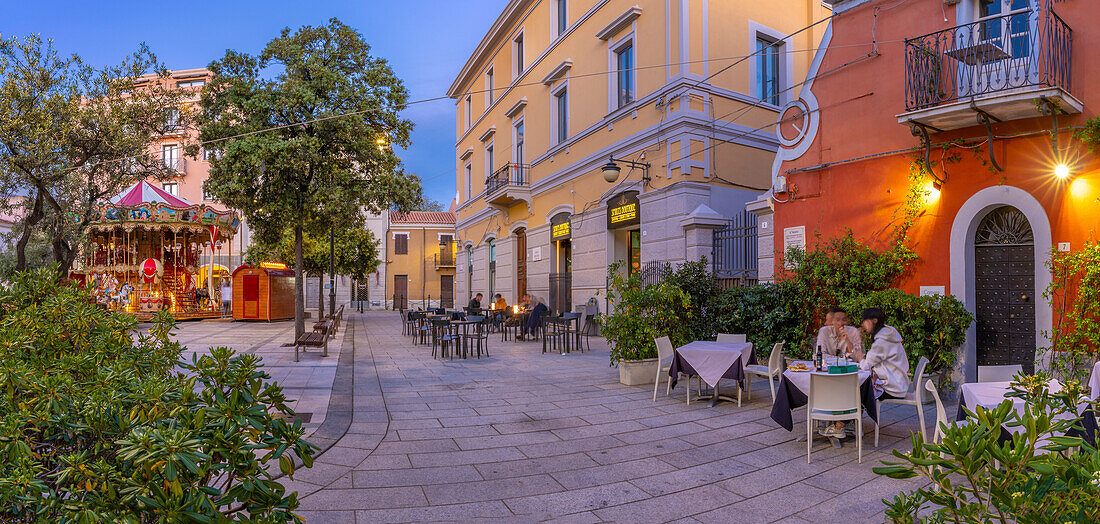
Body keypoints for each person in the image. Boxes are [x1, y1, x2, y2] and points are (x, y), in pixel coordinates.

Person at [855, 307, 911, 399]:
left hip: (893, 389)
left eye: (865, 321)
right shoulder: (888, 333)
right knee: (863, 387)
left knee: (858, 390)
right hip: (899, 382)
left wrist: (859, 353)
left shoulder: (882, 341)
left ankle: (857, 413)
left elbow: (866, 366)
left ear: (874, 321)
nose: (863, 324)